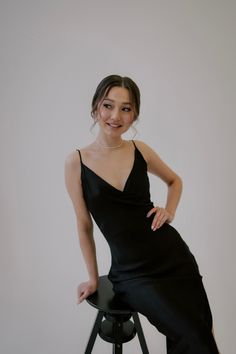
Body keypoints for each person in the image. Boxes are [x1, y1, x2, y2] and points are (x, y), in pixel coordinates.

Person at [64, 74, 220, 353]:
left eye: (126, 108)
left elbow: (175, 181)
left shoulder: (140, 150)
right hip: (131, 273)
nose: (116, 115)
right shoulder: (76, 162)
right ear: (96, 107)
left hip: (173, 257)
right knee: (193, 336)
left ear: (134, 114)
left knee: (202, 330)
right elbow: (83, 225)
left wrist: (169, 210)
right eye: (108, 105)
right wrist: (92, 277)